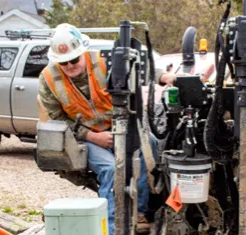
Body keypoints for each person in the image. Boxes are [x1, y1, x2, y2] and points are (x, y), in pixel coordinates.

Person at [38, 23, 172, 235]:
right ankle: (111, 227)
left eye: (74, 59)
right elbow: (58, 119)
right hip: (87, 137)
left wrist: (164, 77)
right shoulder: (48, 80)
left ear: (83, 52)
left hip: (122, 125)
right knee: (111, 169)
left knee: (149, 149)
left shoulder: (103, 61)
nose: (70, 65)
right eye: (64, 62)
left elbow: (138, 66)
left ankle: (139, 212)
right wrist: (92, 136)